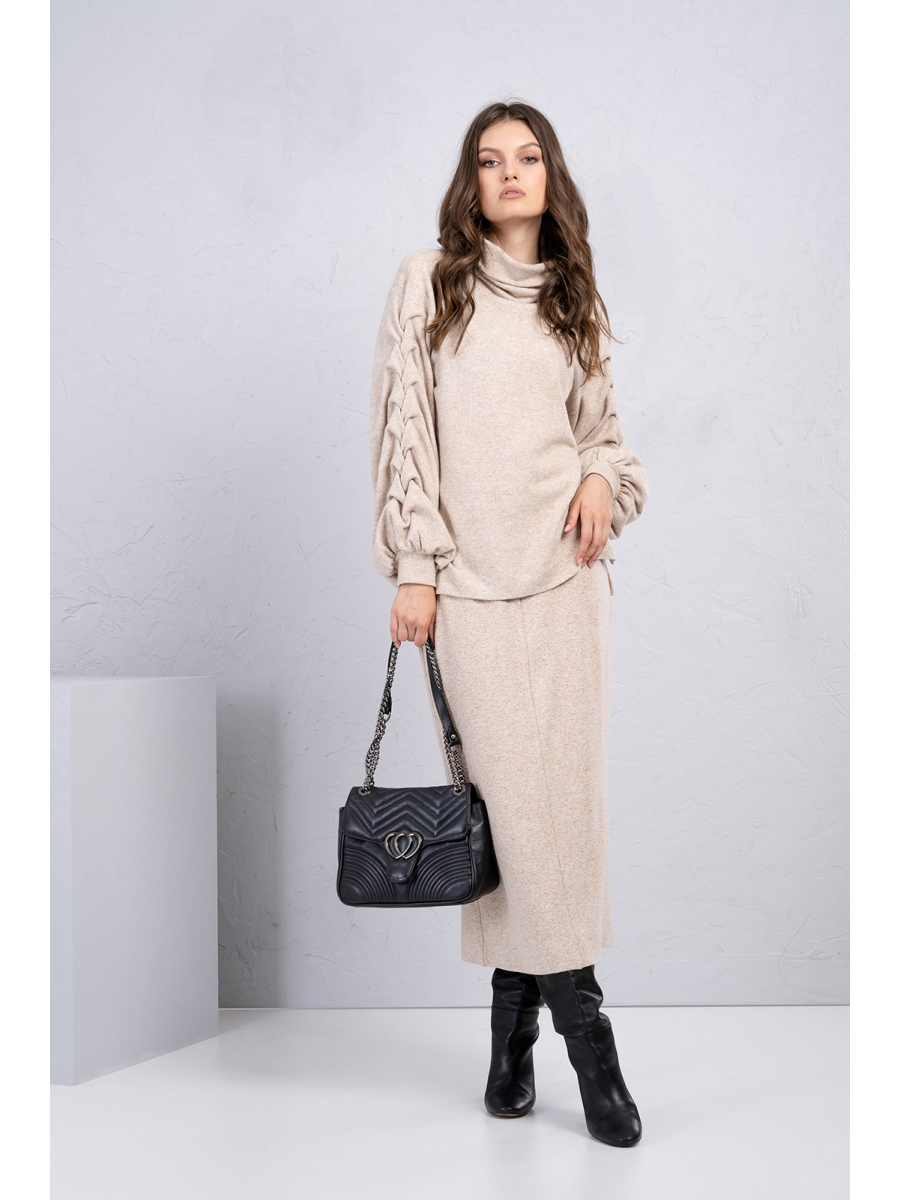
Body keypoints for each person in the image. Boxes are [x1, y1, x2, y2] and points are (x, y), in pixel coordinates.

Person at [368, 101, 648, 1147]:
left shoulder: (574, 302)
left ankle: (510, 1041)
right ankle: (591, 1046)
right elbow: (405, 428)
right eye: (490, 161)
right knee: (515, 820)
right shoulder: (429, 283)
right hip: (470, 592)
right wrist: (414, 568)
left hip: (567, 587)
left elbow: (608, 439)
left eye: (527, 157)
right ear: (471, 183)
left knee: (556, 821)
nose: (510, 173)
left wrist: (599, 481)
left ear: (549, 176)